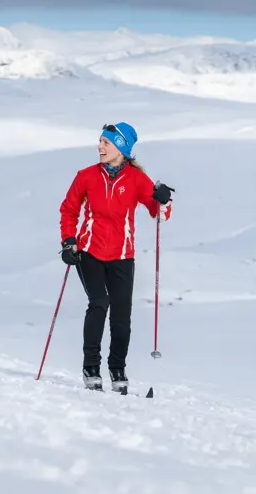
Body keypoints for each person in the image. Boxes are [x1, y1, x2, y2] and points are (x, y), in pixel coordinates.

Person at [59, 122, 173, 393]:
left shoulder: (136, 179)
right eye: (100, 141)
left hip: (122, 255)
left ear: (121, 148)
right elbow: (69, 210)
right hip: (89, 251)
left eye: (105, 143)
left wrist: (164, 200)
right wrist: (68, 241)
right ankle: (91, 367)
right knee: (99, 303)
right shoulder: (86, 176)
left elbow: (159, 214)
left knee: (122, 315)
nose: (99, 146)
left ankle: (117, 368)